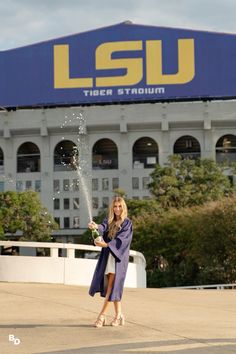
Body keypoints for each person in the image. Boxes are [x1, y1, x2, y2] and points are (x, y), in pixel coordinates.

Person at [88, 196, 133, 328]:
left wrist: (106, 245)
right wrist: (95, 227)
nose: (117, 209)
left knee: (110, 287)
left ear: (123, 207)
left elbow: (122, 241)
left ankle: (101, 316)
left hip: (118, 258)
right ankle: (119, 315)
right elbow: (102, 227)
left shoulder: (127, 223)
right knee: (111, 288)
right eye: (115, 206)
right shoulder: (109, 221)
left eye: (120, 206)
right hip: (108, 258)